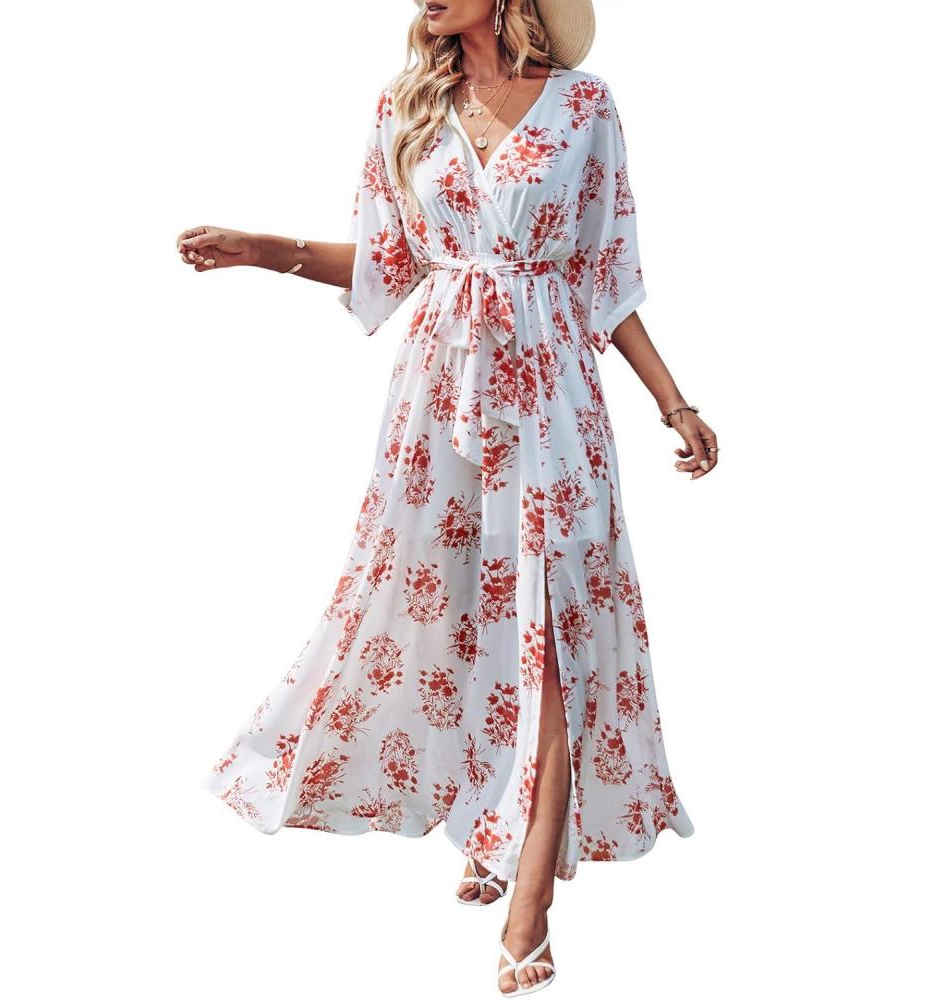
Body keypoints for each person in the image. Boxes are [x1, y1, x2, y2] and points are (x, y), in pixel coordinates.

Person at [178, 1, 716, 994]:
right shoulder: (406, 105)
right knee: (455, 616)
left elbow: (607, 276)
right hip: (439, 397)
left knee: (552, 626)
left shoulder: (585, 106)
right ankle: (487, 816)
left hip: (551, 392)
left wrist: (673, 402)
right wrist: (261, 248)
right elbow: (389, 264)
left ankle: (530, 901)